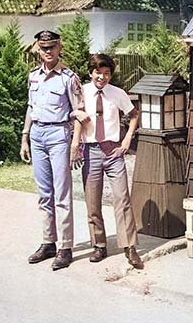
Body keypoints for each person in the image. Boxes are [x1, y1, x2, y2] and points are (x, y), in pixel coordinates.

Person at [20, 30, 87, 271]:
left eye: (52, 47)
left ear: (59, 48)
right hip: (37, 134)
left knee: (61, 193)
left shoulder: (69, 78)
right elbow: (31, 107)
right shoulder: (33, 77)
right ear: (37, 48)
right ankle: (49, 242)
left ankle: (65, 247)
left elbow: (79, 112)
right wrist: (25, 137)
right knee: (44, 193)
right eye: (43, 47)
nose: (47, 51)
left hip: (59, 135)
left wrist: (75, 144)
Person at [70, 53, 144, 270]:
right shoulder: (82, 92)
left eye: (106, 73)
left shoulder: (117, 93)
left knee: (122, 199)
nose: (102, 77)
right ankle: (99, 245)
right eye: (98, 73)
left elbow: (133, 114)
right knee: (92, 202)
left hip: (113, 152)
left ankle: (129, 247)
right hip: (90, 151)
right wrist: (75, 145)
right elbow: (75, 117)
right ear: (90, 73)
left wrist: (128, 138)